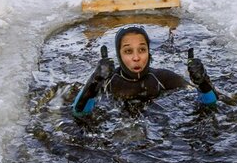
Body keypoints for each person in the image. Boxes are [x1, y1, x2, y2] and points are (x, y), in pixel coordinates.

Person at [72, 26, 217, 117]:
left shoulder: (163, 78)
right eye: (128, 51)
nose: (136, 58)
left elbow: (211, 105)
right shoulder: (107, 81)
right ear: (119, 55)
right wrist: (95, 81)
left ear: (149, 52)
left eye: (142, 50)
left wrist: (202, 81)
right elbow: (79, 113)